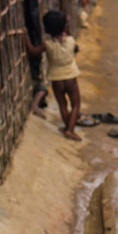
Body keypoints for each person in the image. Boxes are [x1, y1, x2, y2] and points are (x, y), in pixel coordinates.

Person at [25, 10, 83, 141]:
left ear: (47, 30)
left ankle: (67, 126)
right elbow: (76, 49)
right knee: (76, 104)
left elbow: (33, 52)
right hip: (71, 79)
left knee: (62, 104)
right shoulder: (71, 40)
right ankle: (70, 129)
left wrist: (26, 37)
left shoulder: (48, 45)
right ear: (65, 27)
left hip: (57, 80)